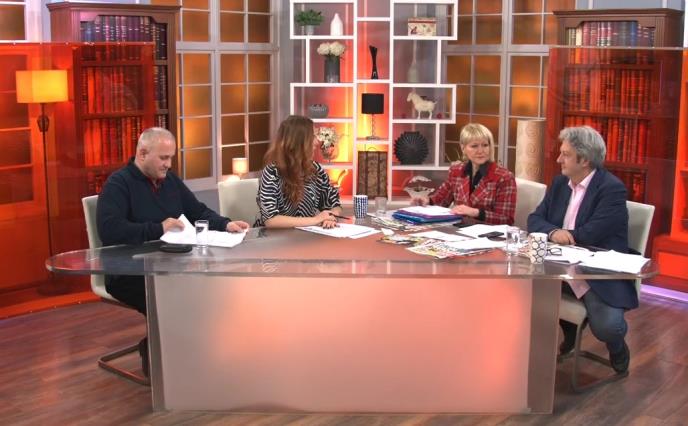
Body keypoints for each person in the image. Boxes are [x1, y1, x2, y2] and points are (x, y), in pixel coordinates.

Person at [96, 127, 249, 375]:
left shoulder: (170, 181)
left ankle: (194, 356)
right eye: (163, 158)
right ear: (142, 153)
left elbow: (198, 212)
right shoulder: (118, 184)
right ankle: (163, 356)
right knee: (177, 295)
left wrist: (225, 224)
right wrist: (158, 228)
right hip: (128, 271)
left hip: (170, 264)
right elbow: (110, 230)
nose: (168, 164)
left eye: (171, 158)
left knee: (211, 287)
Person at [527, 125, 634, 373]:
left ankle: (617, 346)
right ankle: (569, 330)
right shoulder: (559, 183)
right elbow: (535, 219)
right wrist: (554, 232)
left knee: (607, 327)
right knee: (520, 294)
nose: (558, 159)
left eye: (565, 154)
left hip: (595, 271)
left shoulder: (611, 189)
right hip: (558, 266)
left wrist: (565, 235)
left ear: (584, 160)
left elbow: (591, 234)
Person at [412, 123, 516, 225]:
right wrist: (427, 201)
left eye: (485, 145)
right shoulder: (456, 171)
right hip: (458, 229)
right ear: (463, 148)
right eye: (474, 146)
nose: (481, 151)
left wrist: (475, 212)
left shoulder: (504, 177)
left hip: (488, 233)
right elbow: (441, 200)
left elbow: (506, 219)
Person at [256, 115, 342, 228]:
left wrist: (331, 217)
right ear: (298, 142)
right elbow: (271, 220)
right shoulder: (272, 172)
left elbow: (334, 204)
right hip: (274, 237)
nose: (316, 142)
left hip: (305, 235)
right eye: (312, 137)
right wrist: (315, 220)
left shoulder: (316, 170)